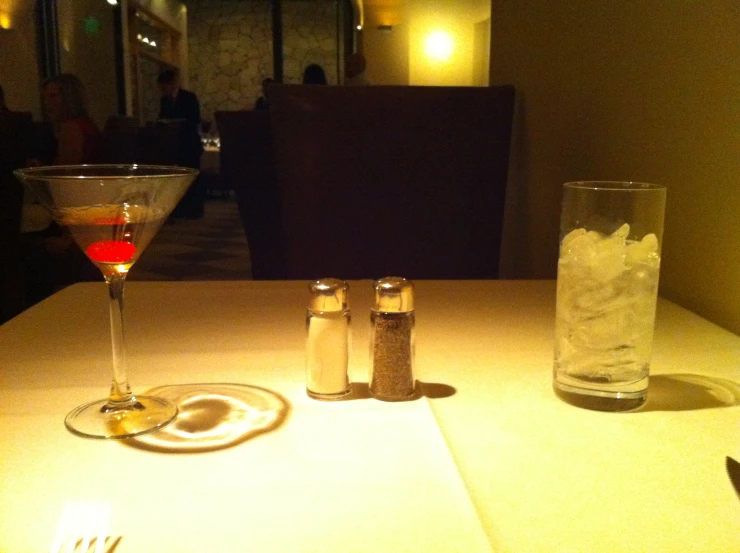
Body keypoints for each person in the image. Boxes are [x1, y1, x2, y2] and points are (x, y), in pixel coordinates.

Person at [157, 69, 205, 218]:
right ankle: (183, 209)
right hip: (174, 143)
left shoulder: (189, 97)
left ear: (171, 84)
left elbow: (195, 118)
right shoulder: (164, 100)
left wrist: (176, 122)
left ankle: (195, 210)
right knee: (180, 177)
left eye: (164, 86)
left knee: (192, 176)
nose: (163, 90)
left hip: (189, 141)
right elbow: (162, 117)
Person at [41, 74, 102, 165]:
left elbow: (65, 170)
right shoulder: (85, 123)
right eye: (44, 98)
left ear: (69, 97)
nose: (46, 102)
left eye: (53, 96)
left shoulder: (71, 127)